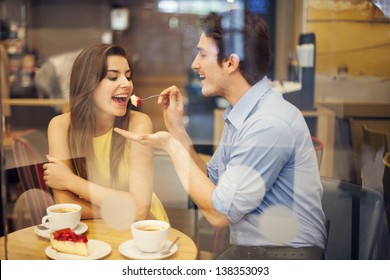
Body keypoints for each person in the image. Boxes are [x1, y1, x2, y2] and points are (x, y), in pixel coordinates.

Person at [114, 9, 327, 260]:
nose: (195, 64)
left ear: (230, 62)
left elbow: (218, 214)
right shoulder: (242, 112)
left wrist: (171, 146)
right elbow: (211, 183)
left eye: (202, 54)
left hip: (288, 256)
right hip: (255, 250)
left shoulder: (268, 123)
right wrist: (178, 131)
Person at [43, 43, 169, 222]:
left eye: (128, 76)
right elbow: (65, 207)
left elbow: (140, 211)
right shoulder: (60, 126)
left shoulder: (138, 123)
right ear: (88, 84)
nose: (126, 84)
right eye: (112, 77)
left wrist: (71, 181)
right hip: (92, 230)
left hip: (142, 228)